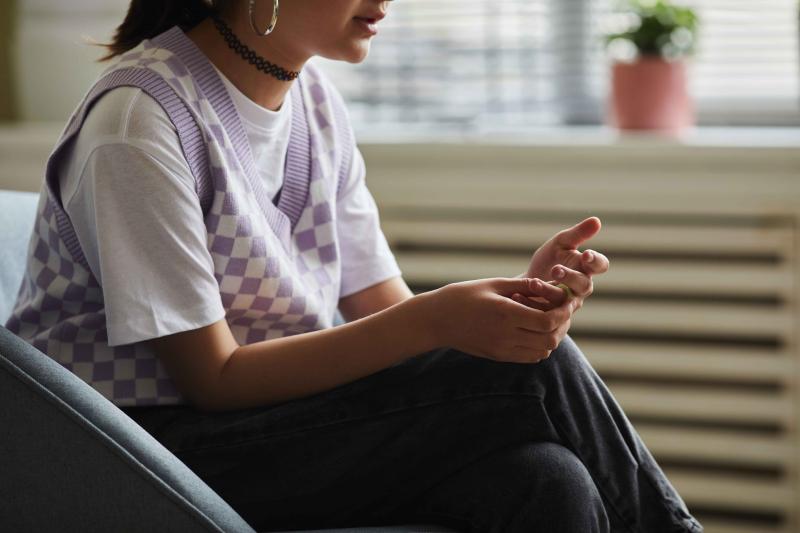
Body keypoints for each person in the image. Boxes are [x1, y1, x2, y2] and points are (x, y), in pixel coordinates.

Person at [5, 0, 703, 531]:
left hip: (284, 426)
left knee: (548, 479)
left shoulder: (312, 102)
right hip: (152, 448)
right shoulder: (139, 121)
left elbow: (382, 311)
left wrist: (509, 306)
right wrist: (441, 322)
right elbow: (212, 379)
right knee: (535, 374)